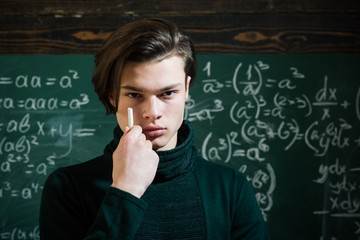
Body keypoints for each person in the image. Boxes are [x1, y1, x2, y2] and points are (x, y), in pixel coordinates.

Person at [39, 18, 270, 239]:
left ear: (186, 89)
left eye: (168, 93)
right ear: (111, 97)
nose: (152, 111)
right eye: (134, 94)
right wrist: (126, 190)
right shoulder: (68, 187)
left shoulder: (229, 187)